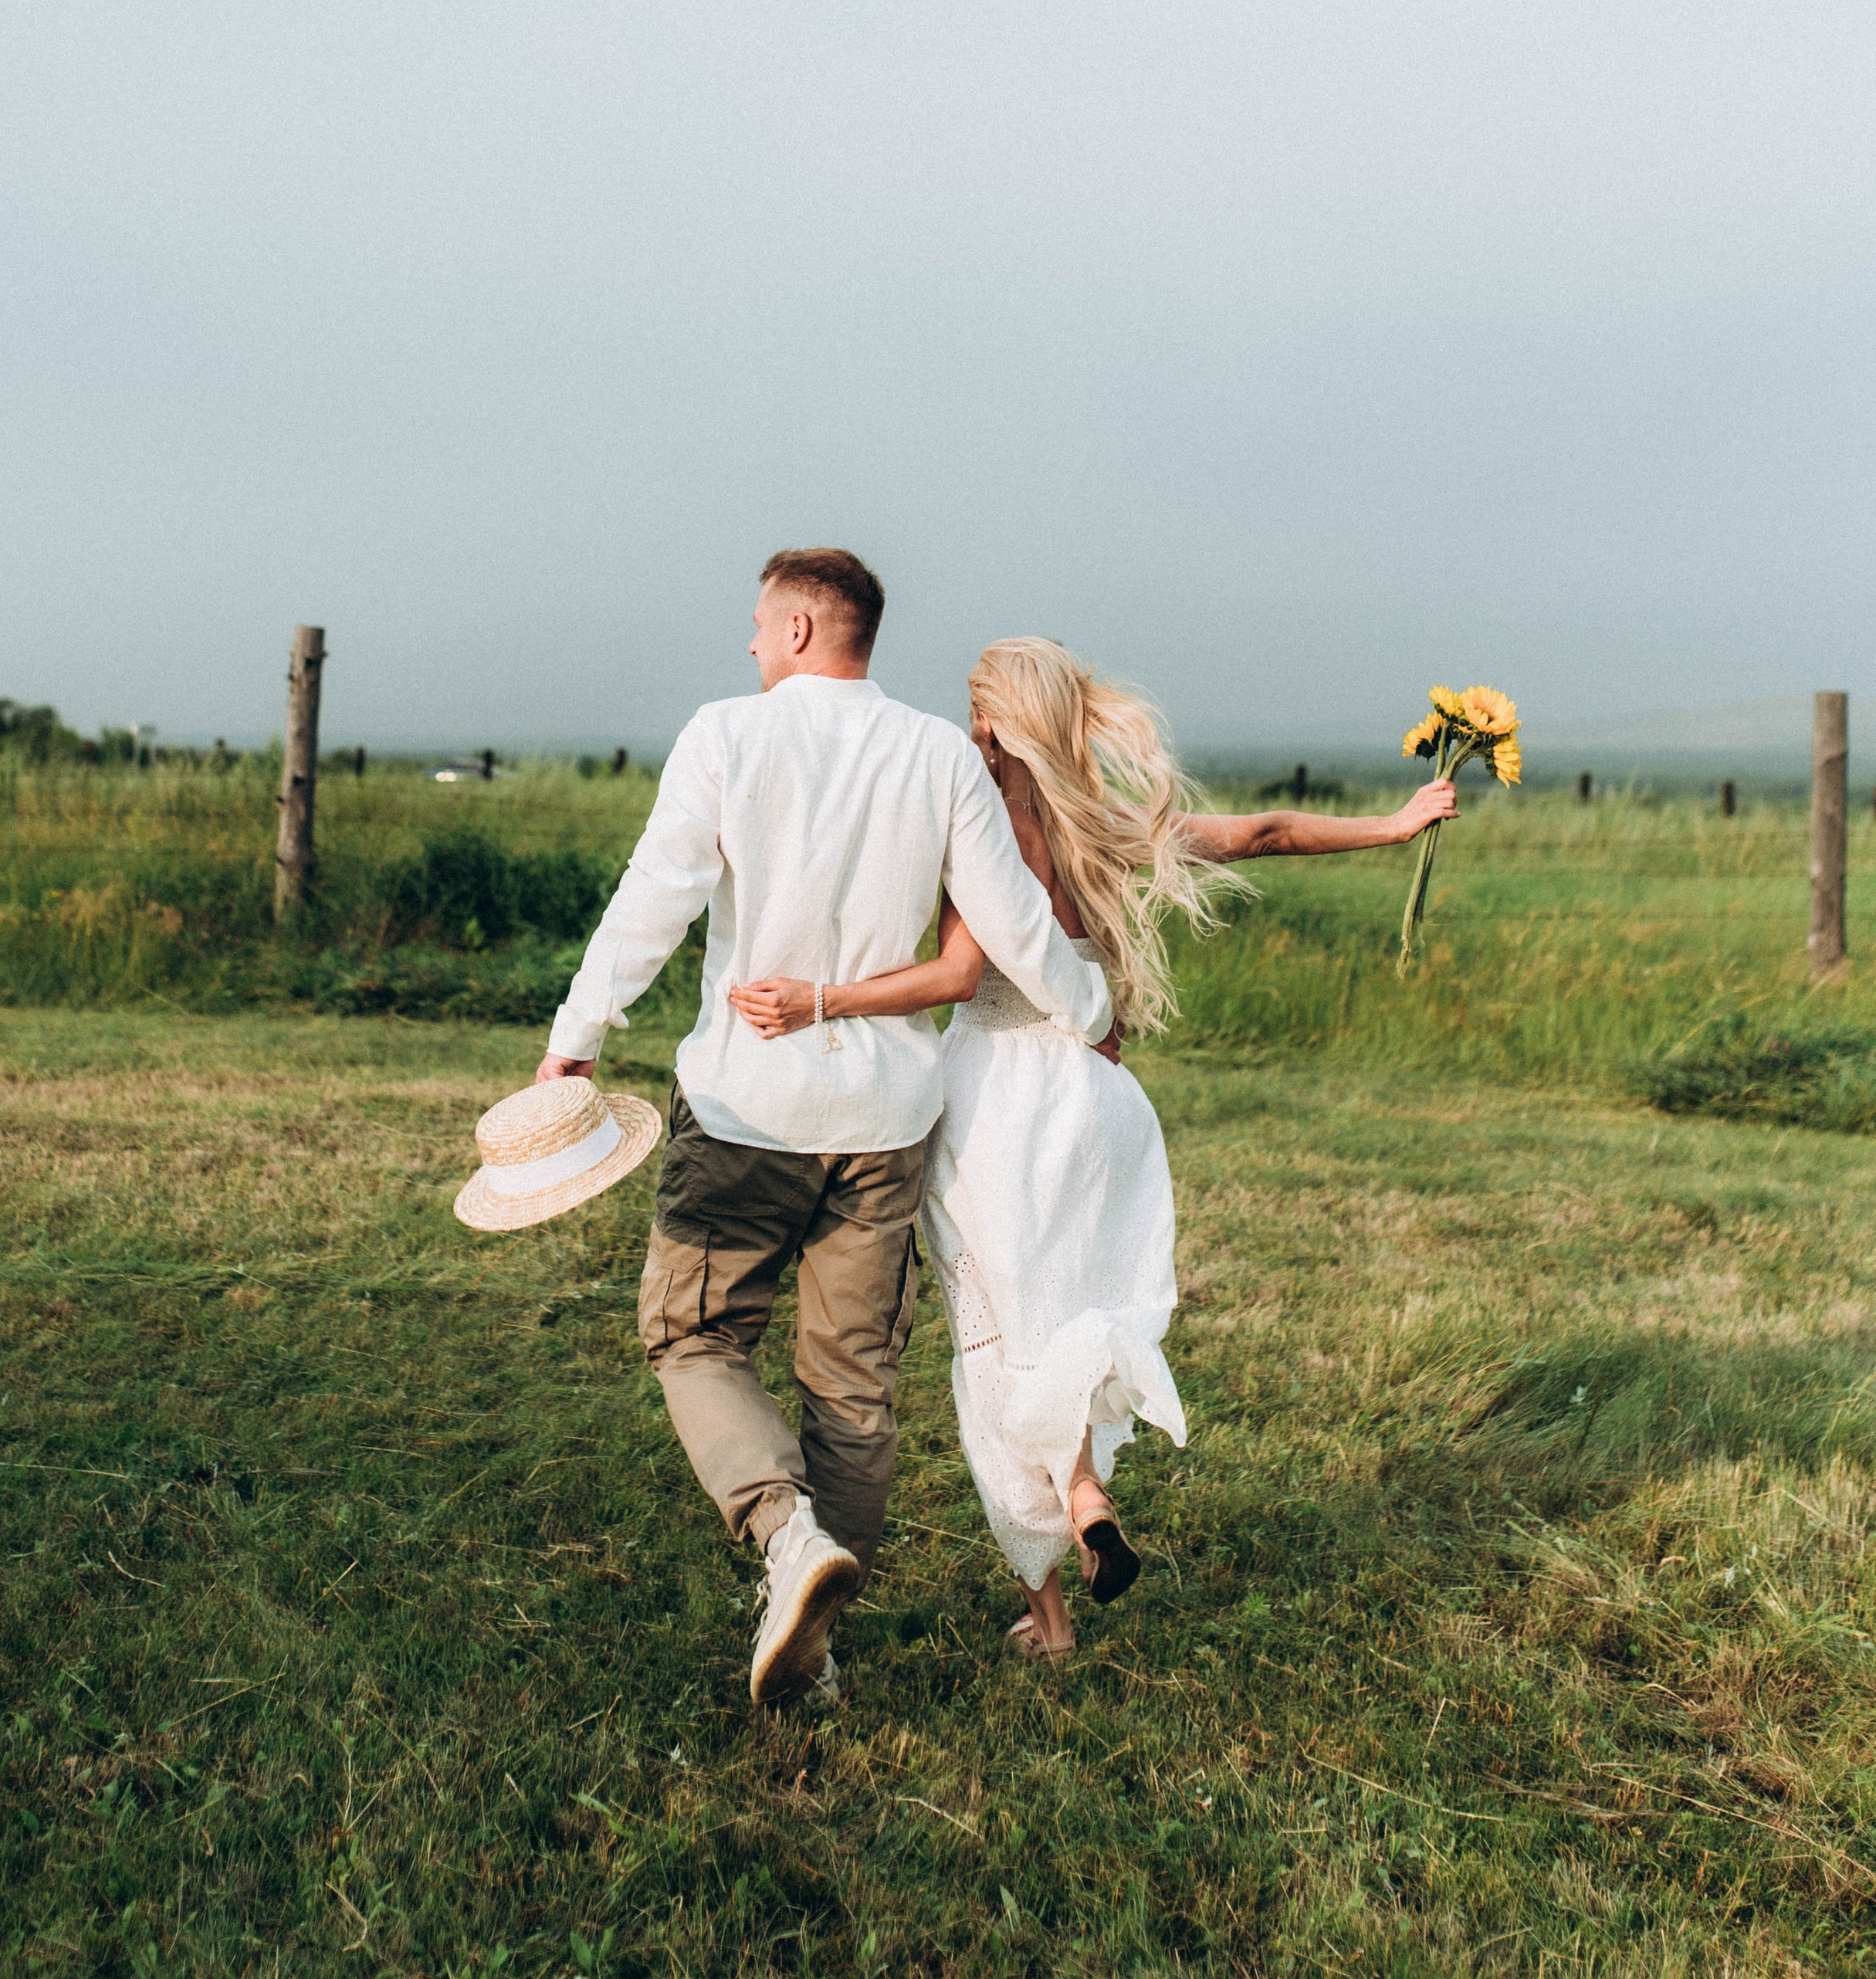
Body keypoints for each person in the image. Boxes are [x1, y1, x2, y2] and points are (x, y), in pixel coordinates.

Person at [732, 642, 1456, 1655]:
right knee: (1067, 1323)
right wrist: (1398, 822)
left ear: (991, 727)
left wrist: (821, 1000)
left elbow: (954, 977)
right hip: (1102, 1105)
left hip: (1000, 1107)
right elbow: (1266, 830)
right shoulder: (1104, 825)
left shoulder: (974, 836)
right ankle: (1082, 1501)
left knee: (1000, 1349)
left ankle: (1058, 1585)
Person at [535, 551, 1113, 1709]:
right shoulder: (941, 754)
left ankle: (786, 1539)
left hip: (747, 1111)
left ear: (801, 629)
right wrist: (1089, 1012)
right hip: (886, 1128)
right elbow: (1009, 926)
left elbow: (656, 896)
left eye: (758, 624)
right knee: (852, 1392)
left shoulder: (726, 737)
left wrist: (577, 1036)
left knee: (693, 1339)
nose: (749, 645)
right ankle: (818, 1651)